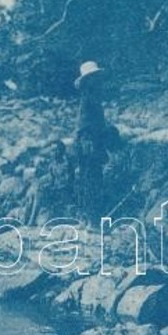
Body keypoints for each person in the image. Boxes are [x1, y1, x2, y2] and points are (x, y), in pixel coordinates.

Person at [73, 60, 120, 223]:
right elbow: (88, 127)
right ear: (88, 81)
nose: (98, 80)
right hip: (89, 144)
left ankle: (87, 217)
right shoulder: (89, 100)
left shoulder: (91, 99)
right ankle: (92, 219)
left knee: (89, 179)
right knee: (92, 179)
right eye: (94, 77)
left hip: (87, 143)